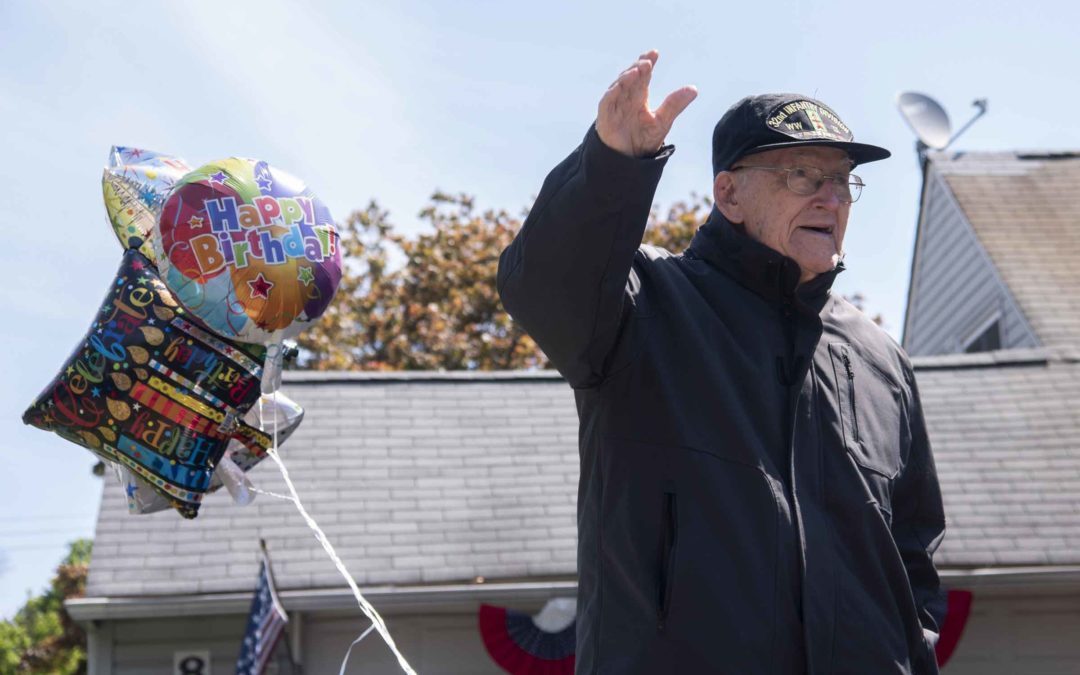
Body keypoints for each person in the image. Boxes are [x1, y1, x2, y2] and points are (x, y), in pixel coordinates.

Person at [497, 50, 946, 674]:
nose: (831, 198)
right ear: (729, 194)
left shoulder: (881, 361)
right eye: (801, 175)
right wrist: (612, 166)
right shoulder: (646, 304)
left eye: (843, 181)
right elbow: (542, 284)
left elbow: (913, 560)